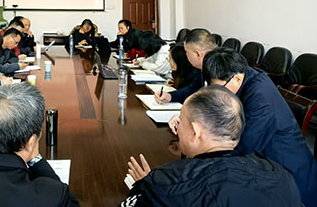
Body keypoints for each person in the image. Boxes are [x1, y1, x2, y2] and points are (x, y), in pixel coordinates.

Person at [121, 85, 301, 207]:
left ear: (195, 131)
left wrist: (146, 187)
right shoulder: (281, 175)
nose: (177, 128)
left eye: (180, 121)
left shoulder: (165, 184)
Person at [196, 48, 317, 207]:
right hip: (265, 163)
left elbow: (244, 146)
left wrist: (199, 157)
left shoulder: (261, 98)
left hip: (293, 180)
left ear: (237, 79)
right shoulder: (240, 75)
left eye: (220, 88)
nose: (217, 93)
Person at [155, 28, 216, 105]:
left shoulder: (218, 71)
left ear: (198, 54)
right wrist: (170, 96)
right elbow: (191, 89)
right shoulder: (202, 68)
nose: (186, 55)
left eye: (187, 52)